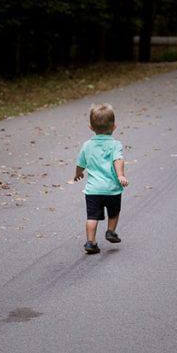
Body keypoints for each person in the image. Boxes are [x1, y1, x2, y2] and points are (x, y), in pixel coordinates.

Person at [73, 103, 128, 254]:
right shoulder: (115, 144)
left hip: (93, 190)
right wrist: (121, 175)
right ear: (114, 126)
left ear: (91, 128)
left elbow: (80, 163)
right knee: (114, 212)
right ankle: (110, 231)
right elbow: (118, 160)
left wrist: (78, 174)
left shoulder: (87, 145)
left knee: (92, 216)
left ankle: (90, 242)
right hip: (112, 189)